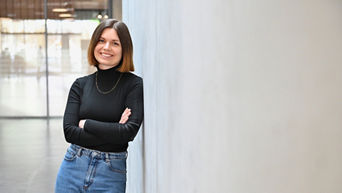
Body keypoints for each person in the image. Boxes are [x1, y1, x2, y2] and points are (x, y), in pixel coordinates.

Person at [55, 19, 144, 193]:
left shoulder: (133, 85)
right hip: (73, 166)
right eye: (101, 40)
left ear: (124, 48)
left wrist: (86, 124)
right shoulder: (80, 85)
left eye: (115, 43)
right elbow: (69, 131)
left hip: (110, 173)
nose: (106, 47)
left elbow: (128, 132)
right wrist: (115, 129)